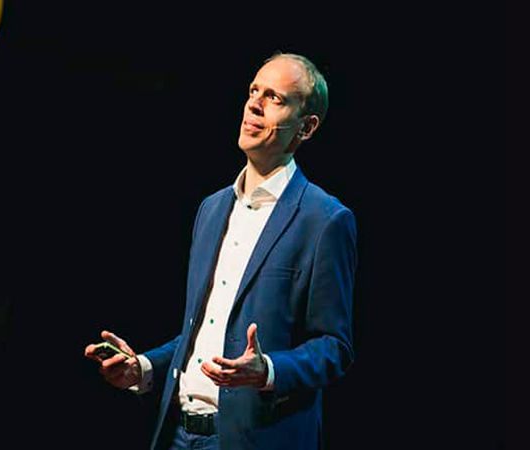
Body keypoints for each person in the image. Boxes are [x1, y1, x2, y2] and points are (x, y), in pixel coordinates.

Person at [85, 52, 358, 450]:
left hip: (254, 438)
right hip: (179, 434)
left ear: (306, 126)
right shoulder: (212, 209)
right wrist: (143, 368)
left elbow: (334, 347)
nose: (254, 104)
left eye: (275, 98)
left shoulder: (325, 220)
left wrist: (268, 370)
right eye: (253, 91)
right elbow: (202, 333)